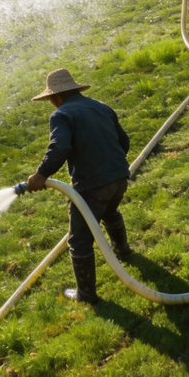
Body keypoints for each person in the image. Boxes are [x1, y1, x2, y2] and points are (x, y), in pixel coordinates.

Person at [26, 68, 132, 304]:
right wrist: (113, 166)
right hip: (120, 176)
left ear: (55, 97)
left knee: (80, 239)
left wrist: (41, 174)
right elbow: (123, 141)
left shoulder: (61, 115)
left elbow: (59, 147)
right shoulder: (101, 106)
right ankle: (123, 250)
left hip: (91, 184)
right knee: (109, 210)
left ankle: (86, 294)